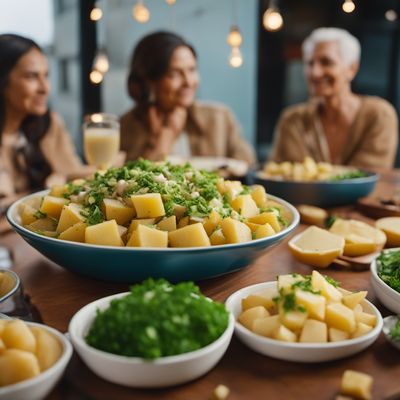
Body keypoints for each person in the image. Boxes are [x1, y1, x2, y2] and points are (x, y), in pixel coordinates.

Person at [270, 27, 398, 169]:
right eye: (309, 63)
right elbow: (275, 175)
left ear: (352, 69)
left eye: (326, 62)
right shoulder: (292, 120)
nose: (315, 73)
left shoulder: (379, 115)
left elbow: (369, 175)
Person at [120, 31, 255, 165]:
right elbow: (129, 181)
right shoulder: (124, 128)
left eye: (192, 70)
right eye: (174, 74)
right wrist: (165, 138)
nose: (189, 82)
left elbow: (248, 166)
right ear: (149, 81)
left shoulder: (219, 118)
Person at [0, 33, 92, 202]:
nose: (45, 88)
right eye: (31, 76)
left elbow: (76, 177)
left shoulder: (48, 124)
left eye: (46, 76)